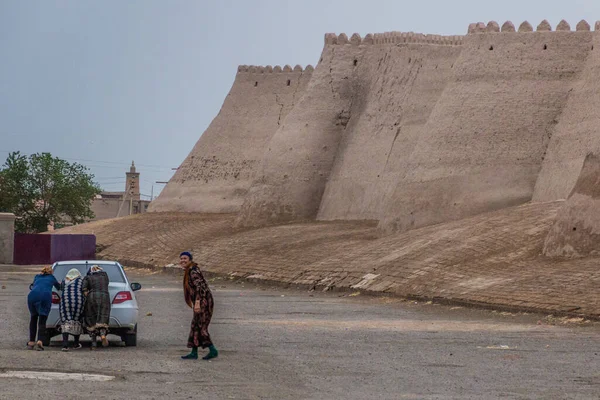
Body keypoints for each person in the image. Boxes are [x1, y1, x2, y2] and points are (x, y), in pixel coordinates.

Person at [180, 251, 218, 360]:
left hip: (203, 302)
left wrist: (197, 303)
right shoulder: (190, 270)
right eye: (181, 258)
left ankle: (213, 350)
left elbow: (200, 288)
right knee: (195, 326)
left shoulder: (193, 271)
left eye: (185, 258)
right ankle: (194, 352)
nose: (183, 260)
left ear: (190, 260)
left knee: (201, 326)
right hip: (201, 301)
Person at [27, 266, 60, 350]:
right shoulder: (52, 278)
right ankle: (40, 341)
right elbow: (59, 288)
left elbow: (34, 285)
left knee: (33, 318)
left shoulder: (37, 276)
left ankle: (31, 342)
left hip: (32, 296)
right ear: (51, 272)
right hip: (44, 296)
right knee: (42, 320)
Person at [82, 265, 111, 350]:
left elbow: (84, 289)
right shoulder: (105, 276)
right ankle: (102, 335)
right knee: (102, 319)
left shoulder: (88, 277)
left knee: (92, 320)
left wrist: (87, 296)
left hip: (92, 297)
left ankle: (94, 344)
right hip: (105, 297)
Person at [59, 268, 85, 351]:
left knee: (66, 321)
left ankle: (65, 345)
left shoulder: (64, 280)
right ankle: (76, 343)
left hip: (65, 302)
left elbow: (61, 288)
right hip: (78, 302)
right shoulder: (81, 280)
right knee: (77, 321)